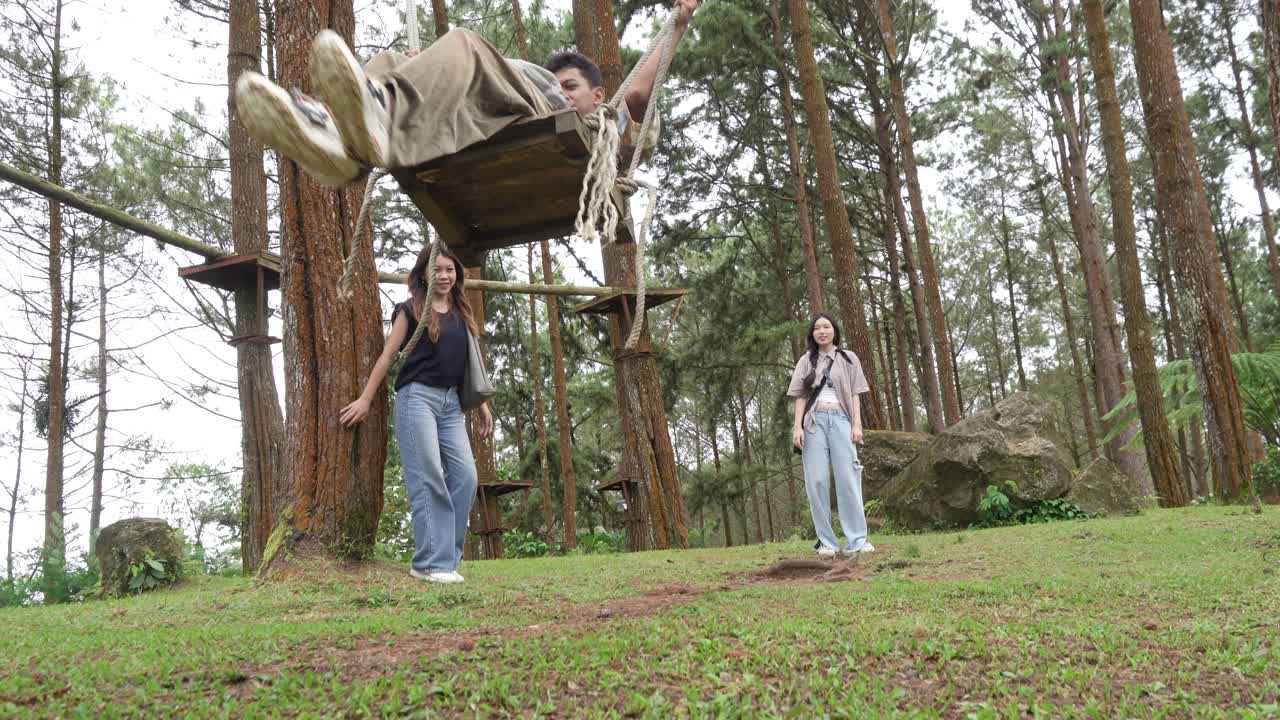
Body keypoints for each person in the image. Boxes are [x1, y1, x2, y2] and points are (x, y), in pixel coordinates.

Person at [234, 0, 698, 187]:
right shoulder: (522, 86)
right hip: (494, 124)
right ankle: (337, 138)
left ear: (599, 96)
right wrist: (424, 69)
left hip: (536, 123)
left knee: (463, 46)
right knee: (398, 63)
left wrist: (677, 27)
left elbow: (640, 94)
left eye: (571, 86)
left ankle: (367, 117)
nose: (563, 90)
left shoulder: (606, 124)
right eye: (558, 82)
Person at [340, 243, 491, 584]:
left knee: (466, 477)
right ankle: (429, 563)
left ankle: (444, 560)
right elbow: (387, 357)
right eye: (437, 269)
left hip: (451, 404)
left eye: (450, 269)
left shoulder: (462, 311)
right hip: (416, 399)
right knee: (428, 478)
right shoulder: (410, 310)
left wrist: (482, 405)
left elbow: (469, 363)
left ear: (457, 274)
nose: (444, 276)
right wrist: (365, 399)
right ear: (424, 273)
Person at [787, 313, 875, 557]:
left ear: (834, 330)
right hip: (813, 423)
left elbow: (857, 393)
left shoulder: (849, 358)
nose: (822, 331)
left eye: (826, 326)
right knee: (817, 480)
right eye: (817, 328)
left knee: (848, 478)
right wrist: (797, 428)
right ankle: (827, 542)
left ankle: (857, 540)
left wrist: (857, 425)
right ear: (812, 334)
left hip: (841, 419)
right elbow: (800, 396)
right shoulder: (806, 360)